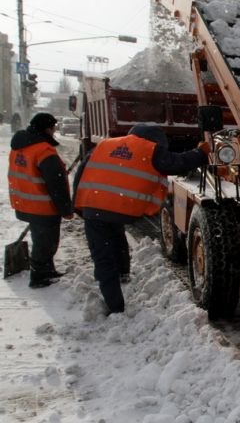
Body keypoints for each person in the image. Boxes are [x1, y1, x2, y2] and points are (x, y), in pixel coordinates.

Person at [73, 124, 209, 314]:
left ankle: (115, 297)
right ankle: (118, 297)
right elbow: (177, 162)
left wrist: (77, 205)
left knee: (103, 255)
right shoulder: (150, 149)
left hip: (93, 207)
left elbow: (80, 174)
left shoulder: (104, 145)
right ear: (157, 141)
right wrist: (201, 154)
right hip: (120, 209)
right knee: (116, 239)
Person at [7, 113, 75, 288]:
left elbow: (32, 173)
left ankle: (47, 270)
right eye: (53, 128)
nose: (54, 132)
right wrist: (66, 209)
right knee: (47, 243)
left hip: (25, 202)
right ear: (46, 129)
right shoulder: (43, 150)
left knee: (41, 240)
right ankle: (39, 277)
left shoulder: (20, 146)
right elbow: (56, 184)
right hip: (42, 206)